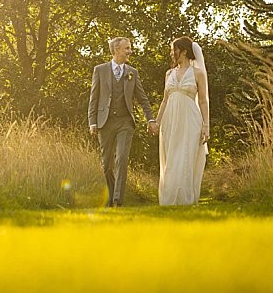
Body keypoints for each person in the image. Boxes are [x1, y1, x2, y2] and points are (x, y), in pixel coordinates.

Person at [88, 37, 157, 207]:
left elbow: (143, 99)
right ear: (116, 50)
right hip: (105, 122)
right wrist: (92, 121)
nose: (130, 52)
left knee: (123, 158)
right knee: (106, 164)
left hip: (125, 122)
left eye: (130, 48)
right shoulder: (100, 70)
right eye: (127, 48)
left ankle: (118, 200)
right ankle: (111, 196)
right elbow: (94, 98)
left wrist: (151, 118)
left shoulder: (133, 72)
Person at [154, 37, 209, 206]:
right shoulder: (169, 74)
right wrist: (157, 122)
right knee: (171, 157)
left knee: (185, 156)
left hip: (190, 119)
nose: (172, 53)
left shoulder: (198, 73)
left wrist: (206, 125)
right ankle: (169, 198)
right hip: (170, 119)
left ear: (184, 51)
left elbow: (203, 101)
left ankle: (185, 199)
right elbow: (164, 100)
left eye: (174, 50)